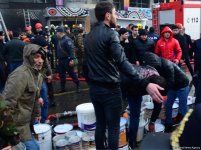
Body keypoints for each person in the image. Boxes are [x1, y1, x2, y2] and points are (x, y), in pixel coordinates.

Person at [84, 2, 164, 149]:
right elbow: (122, 62)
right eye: (114, 13)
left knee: (101, 125)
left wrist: (92, 83)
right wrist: (145, 83)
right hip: (110, 90)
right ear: (107, 15)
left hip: (94, 90)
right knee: (113, 128)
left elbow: (85, 66)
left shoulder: (88, 36)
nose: (116, 16)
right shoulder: (110, 33)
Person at [2, 44, 46, 150]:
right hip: (17, 126)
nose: (40, 61)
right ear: (28, 57)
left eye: (42, 57)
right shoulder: (20, 75)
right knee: (34, 148)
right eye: (36, 57)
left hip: (28, 122)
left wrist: (37, 114)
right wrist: (12, 137)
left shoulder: (37, 75)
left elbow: (36, 96)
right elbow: (5, 105)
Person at [137, 52, 189, 132]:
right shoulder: (154, 66)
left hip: (182, 85)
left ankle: (185, 128)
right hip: (172, 86)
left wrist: (160, 94)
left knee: (182, 108)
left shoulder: (167, 66)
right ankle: (168, 124)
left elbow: (170, 84)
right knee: (168, 105)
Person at [56, 26, 80, 93]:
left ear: (60, 32)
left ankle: (78, 85)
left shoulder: (67, 40)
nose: (56, 34)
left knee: (72, 74)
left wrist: (71, 59)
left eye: (57, 32)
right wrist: (58, 59)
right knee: (62, 75)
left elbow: (71, 50)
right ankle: (63, 88)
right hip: (61, 60)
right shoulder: (60, 40)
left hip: (67, 60)